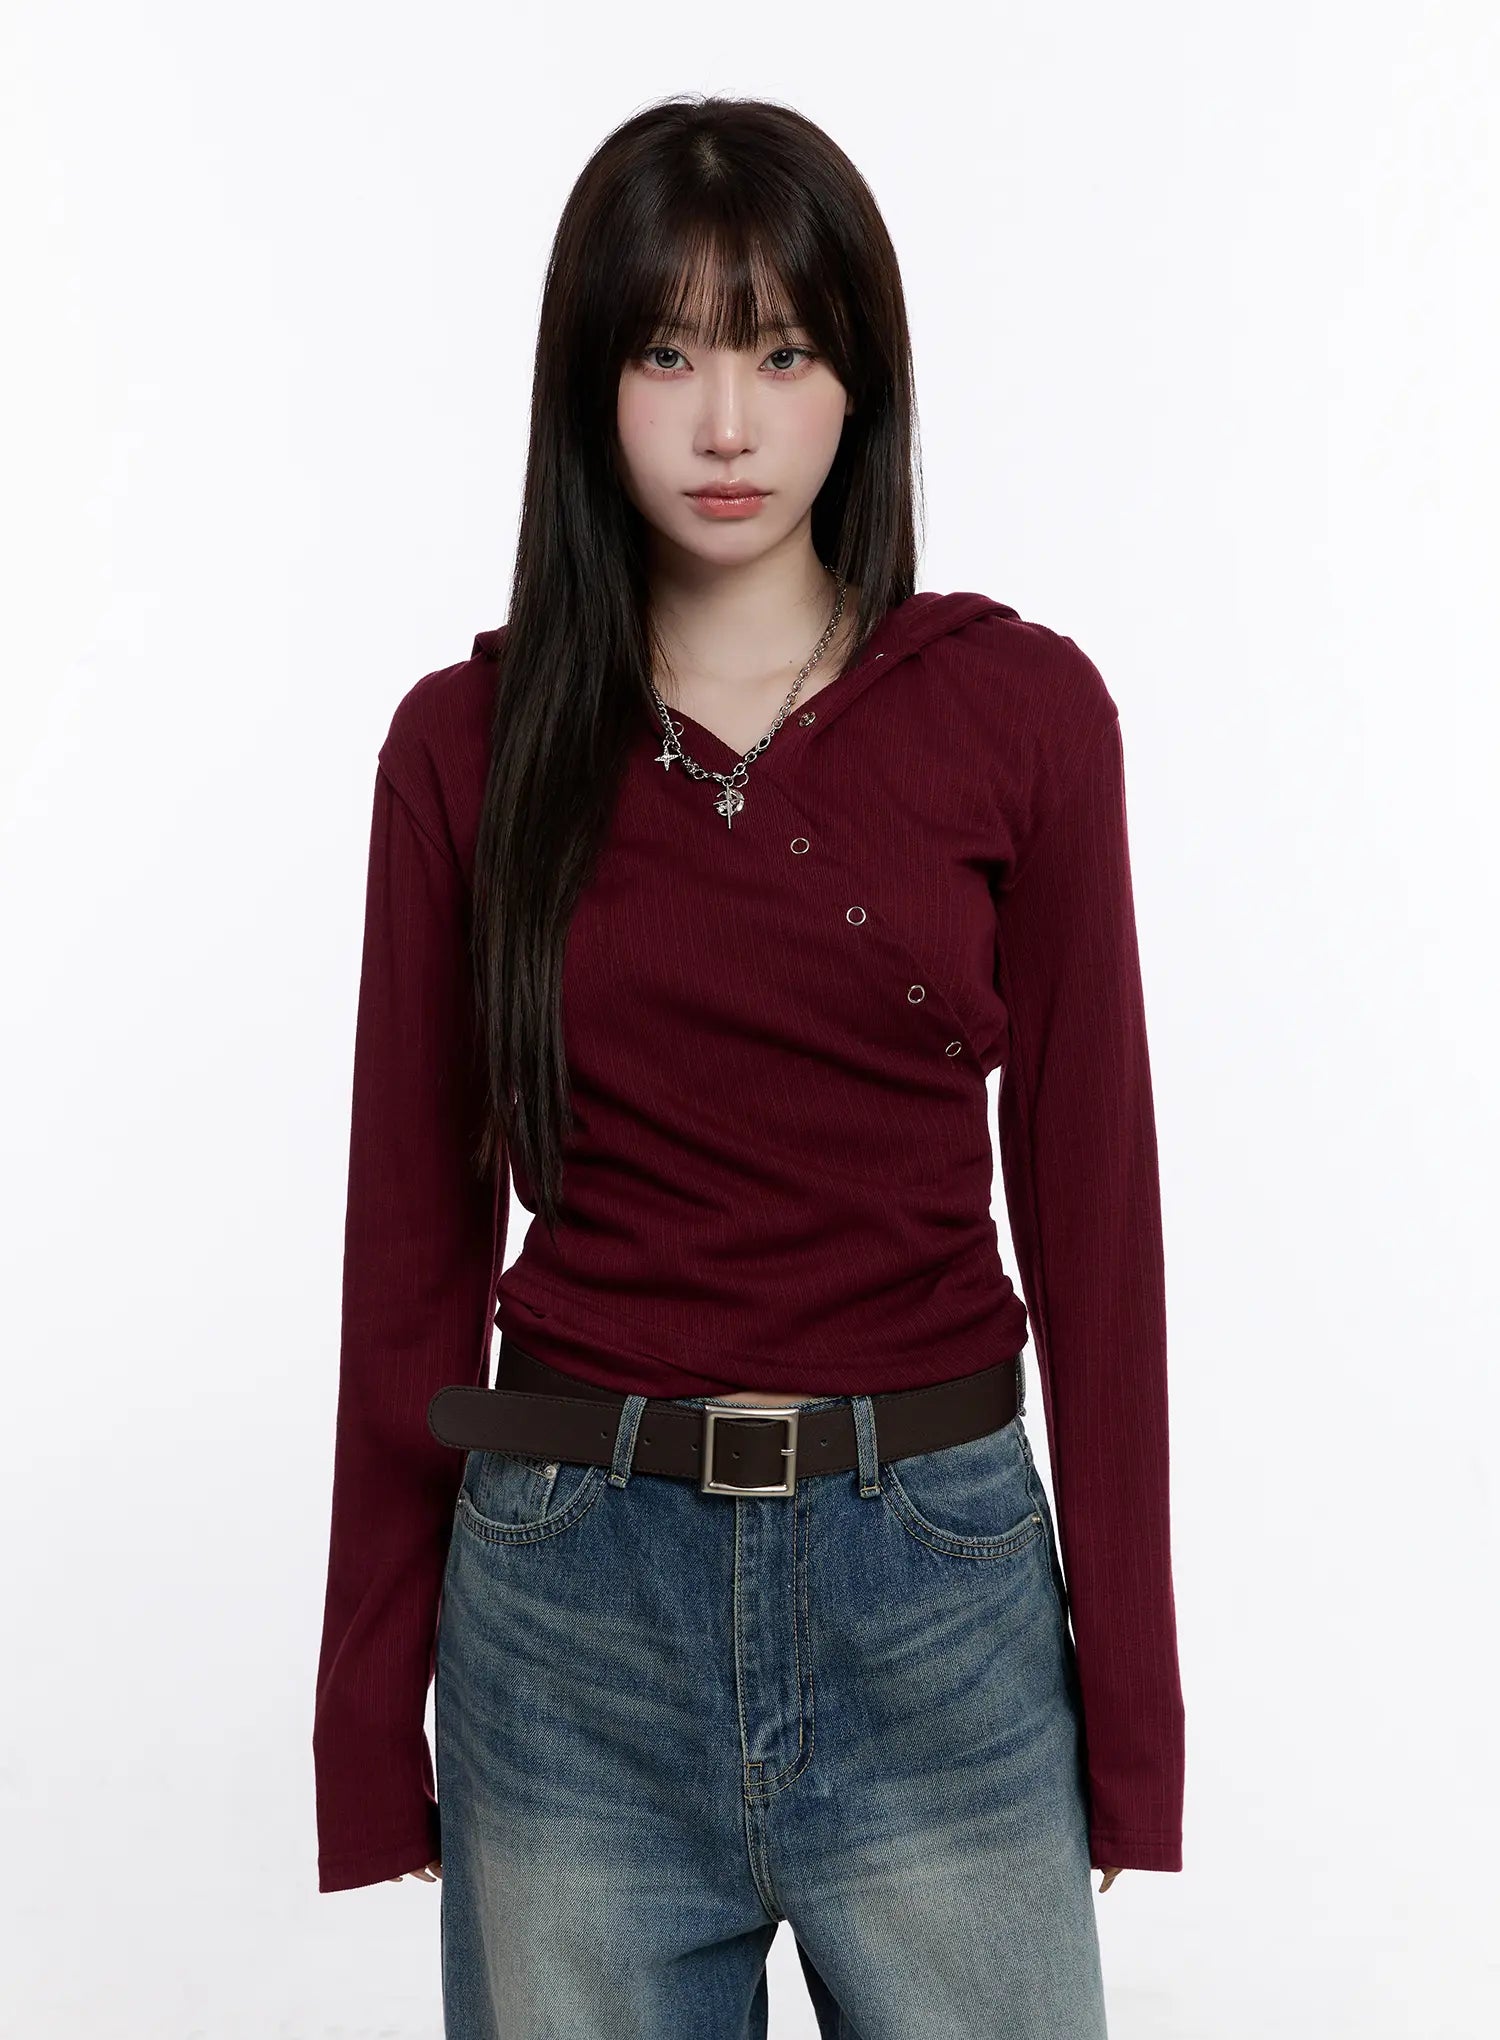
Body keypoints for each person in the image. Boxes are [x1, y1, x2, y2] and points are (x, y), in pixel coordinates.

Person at [313, 92, 1184, 2038]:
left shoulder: (1021, 716)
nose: (727, 423)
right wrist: (367, 1718)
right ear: (589, 385)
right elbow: (409, 1259)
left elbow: (1098, 1222)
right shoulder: (466, 749)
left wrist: (1133, 1702)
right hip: (570, 1600)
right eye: (667, 354)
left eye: (782, 353)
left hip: (936, 1583)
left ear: (861, 382)